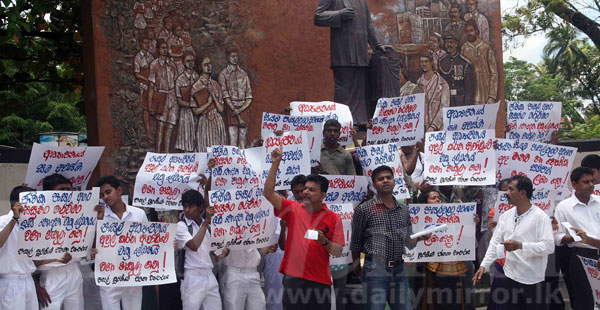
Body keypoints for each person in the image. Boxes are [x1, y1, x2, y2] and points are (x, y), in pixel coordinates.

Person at [264, 147, 344, 310]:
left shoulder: (333, 218)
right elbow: (268, 193)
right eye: (305, 188)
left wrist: (324, 241)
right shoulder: (293, 209)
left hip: (319, 282)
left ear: (323, 195)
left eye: (311, 189)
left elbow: (337, 251)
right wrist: (275, 164)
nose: (305, 192)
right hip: (293, 279)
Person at [350, 165, 430, 310]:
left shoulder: (403, 210)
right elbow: (355, 243)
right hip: (375, 269)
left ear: (394, 181)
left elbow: (408, 242)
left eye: (389, 177)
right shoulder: (364, 209)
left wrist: (419, 238)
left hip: (399, 269)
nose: (385, 181)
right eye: (381, 179)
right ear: (374, 184)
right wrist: (358, 269)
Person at [474, 175, 554, 309]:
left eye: (511, 189)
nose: (506, 193)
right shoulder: (506, 216)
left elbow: (548, 246)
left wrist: (520, 246)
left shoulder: (540, 217)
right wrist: (484, 265)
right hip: (510, 276)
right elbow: (495, 243)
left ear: (522, 193)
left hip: (532, 279)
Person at [314, 0, 387, 125]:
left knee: (361, 96)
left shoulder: (362, 2)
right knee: (344, 94)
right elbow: (318, 17)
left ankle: (361, 125)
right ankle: (343, 125)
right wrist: (339, 14)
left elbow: (368, 25)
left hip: (361, 56)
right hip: (343, 55)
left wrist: (376, 45)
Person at [415, 187, 479, 310]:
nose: (438, 200)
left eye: (439, 198)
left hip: (455, 261)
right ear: (425, 202)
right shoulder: (419, 218)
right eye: (433, 198)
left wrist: (471, 223)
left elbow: (464, 235)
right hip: (431, 265)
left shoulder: (452, 215)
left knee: (459, 297)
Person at [34, 174, 86, 310]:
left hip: (74, 269)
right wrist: (36, 284)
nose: (67, 194)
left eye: (69, 190)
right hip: (52, 272)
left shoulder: (79, 214)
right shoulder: (38, 217)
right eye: (62, 190)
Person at [96, 176, 147, 310]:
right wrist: (99, 221)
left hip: (132, 274)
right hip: (109, 276)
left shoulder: (138, 214)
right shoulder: (100, 216)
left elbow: (148, 241)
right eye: (102, 195)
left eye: (108, 192)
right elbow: (93, 243)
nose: (105, 197)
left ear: (118, 190)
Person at [553, 167, 600, 309]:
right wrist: (574, 237)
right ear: (574, 184)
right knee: (584, 298)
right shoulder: (564, 206)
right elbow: (556, 237)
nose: (591, 185)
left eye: (592, 181)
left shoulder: (599, 201)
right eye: (586, 182)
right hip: (581, 256)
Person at [264, 175, 306, 310]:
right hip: (276, 250)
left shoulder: (306, 203)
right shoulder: (268, 196)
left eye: (302, 191)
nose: (299, 194)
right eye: (296, 191)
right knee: (276, 288)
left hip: (302, 259)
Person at [176, 189, 222, 310]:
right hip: (192, 277)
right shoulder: (181, 226)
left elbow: (218, 253)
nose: (187, 210)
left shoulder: (209, 228)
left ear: (200, 207)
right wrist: (206, 221)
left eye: (190, 207)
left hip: (209, 274)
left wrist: (227, 247)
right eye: (185, 206)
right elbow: (193, 246)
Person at [0, 186, 38, 310]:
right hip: (11, 282)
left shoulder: (34, 223)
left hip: (28, 280)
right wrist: (14, 219)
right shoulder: (3, 221)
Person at [218, 45, 253, 149]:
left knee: (243, 142)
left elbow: (249, 95)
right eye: (232, 56)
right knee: (233, 142)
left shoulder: (244, 74)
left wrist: (240, 109)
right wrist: (234, 110)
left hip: (244, 108)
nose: (235, 58)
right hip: (231, 110)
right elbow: (225, 95)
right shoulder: (223, 74)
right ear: (227, 57)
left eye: (236, 56)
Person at [192, 54, 228, 152]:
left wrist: (214, 98)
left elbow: (221, 109)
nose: (209, 67)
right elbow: (196, 111)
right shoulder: (196, 86)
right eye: (205, 64)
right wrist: (208, 103)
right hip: (204, 122)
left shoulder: (216, 85)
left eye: (210, 64)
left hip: (217, 121)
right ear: (200, 67)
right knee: (204, 149)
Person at [147, 39, 178, 153]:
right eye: (163, 48)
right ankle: (158, 152)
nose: (165, 50)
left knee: (170, 127)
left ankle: (166, 153)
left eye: (166, 48)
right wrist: (150, 105)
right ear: (158, 49)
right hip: (161, 96)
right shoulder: (154, 65)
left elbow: (176, 83)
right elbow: (151, 85)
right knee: (160, 126)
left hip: (172, 97)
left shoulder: (172, 65)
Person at [460, 20, 497, 105]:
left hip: (485, 92)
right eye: (467, 31)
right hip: (471, 93)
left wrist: (492, 96)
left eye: (471, 30)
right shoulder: (464, 48)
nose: (469, 33)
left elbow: (494, 73)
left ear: (476, 31)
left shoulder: (486, 48)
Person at [439, 31, 475, 107]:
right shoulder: (442, 61)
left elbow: (469, 90)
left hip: (460, 101)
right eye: (446, 42)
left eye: (451, 42)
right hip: (446, 101)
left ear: (456, 44)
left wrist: (467, 106)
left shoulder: (464, 63)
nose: (448, 45)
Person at [416, 52, 450, 132]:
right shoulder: (419, 83)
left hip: (438, 128)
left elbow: (444, 107)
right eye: (422, 62)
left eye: (426, 61)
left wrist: (434, 126)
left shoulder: (442, 83)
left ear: (431, 62)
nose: (423, 64)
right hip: (423, 128)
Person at [174, 51, 199, 152]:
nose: (190, 63)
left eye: (192, 61)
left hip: (197, 113)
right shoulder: (180, 79)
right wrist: (190, 105)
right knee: (186, 141)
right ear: (184, 63)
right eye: (188, 61)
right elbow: (179, 101)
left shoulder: (198, 78)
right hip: (186, 114)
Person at [133, 37, 155, 140]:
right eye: (145, 42)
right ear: (140, 44)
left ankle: (153, 130)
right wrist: (146, 79)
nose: (147, 45)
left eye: (148, 42)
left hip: (153, 85)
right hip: (144, 86)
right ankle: (148, 132)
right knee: (146, 109)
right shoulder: (138, 57)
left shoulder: (151, 56)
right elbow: (137, 74)